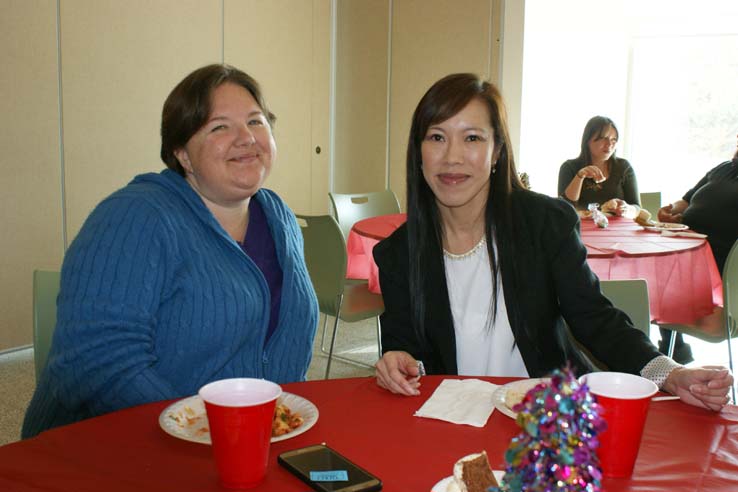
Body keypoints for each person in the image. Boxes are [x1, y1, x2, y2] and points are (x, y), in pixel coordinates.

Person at [373, 73, 732, 412]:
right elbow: (404, 346)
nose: (451, 157)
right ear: (418, 153)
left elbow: (594, 317)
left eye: (472, 138)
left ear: (497, 151)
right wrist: (398, 362)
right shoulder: (399, 253)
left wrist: (669, 373)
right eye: (436, 137)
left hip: (547, 421)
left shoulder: (545, 224)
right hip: (455, 417)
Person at [22, 64, 319, 438]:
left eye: (256, 122)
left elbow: (285, 346)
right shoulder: (136, 217)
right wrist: (201, 430)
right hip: (119, 447)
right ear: (182, 153)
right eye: (219, 127)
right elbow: (97, 364)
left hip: (244, 443)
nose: (246, 138)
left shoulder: (279, 217)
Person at [655, 134, 738, 360]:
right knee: (645, 276)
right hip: (687, 263)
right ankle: (670, 353)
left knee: (645, 291)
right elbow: (687, 199)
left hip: (719, 283)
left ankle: (659, 358)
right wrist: (671, 210)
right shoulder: (722, 168)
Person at [558, 116, 640, 217]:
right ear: (588, 140)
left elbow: (637, 208)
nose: (609, 144)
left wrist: (626, 209)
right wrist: (580, 176)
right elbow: (564, 208)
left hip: (618, 229)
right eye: (603, 139)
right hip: (581, 228)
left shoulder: (623, 167)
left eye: (614, 139)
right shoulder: (569, 167)